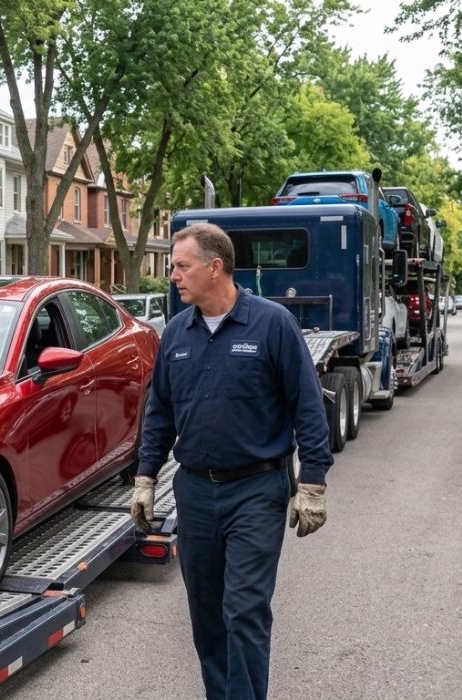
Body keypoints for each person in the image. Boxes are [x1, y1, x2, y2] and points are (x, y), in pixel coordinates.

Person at [130, 222, 332, 700]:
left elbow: (307, 405)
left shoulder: (271, 324)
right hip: (196, 491)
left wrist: (313, 484)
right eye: (172, 267)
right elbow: (159, 411)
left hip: (257, 490)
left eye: (181, 266)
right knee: (206, 613)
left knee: (243, 609)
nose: (172, 276)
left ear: (214, 267)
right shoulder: (177, 332)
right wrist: (145, 477)